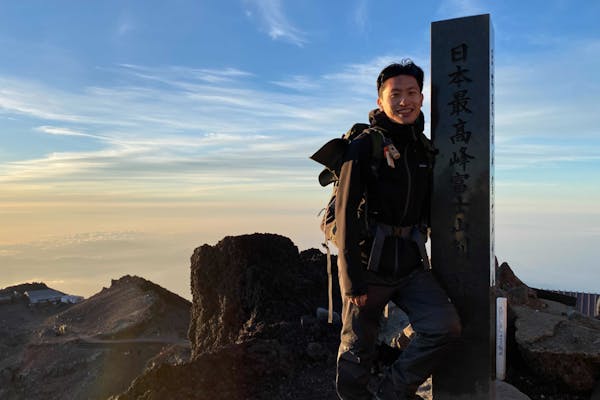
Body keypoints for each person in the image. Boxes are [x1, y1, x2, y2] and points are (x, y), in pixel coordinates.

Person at [335, 60, 462, 400]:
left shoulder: (424, 147)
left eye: (411, 93)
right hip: (370, 264)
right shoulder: (364, 145)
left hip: (410, 265)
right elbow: (345, 213)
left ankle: (392, 391)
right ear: (380, 101)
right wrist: (351, 279)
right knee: (356, 349)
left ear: (422, 98)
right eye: (395, 94)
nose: (404, 101)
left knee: (444, 327)